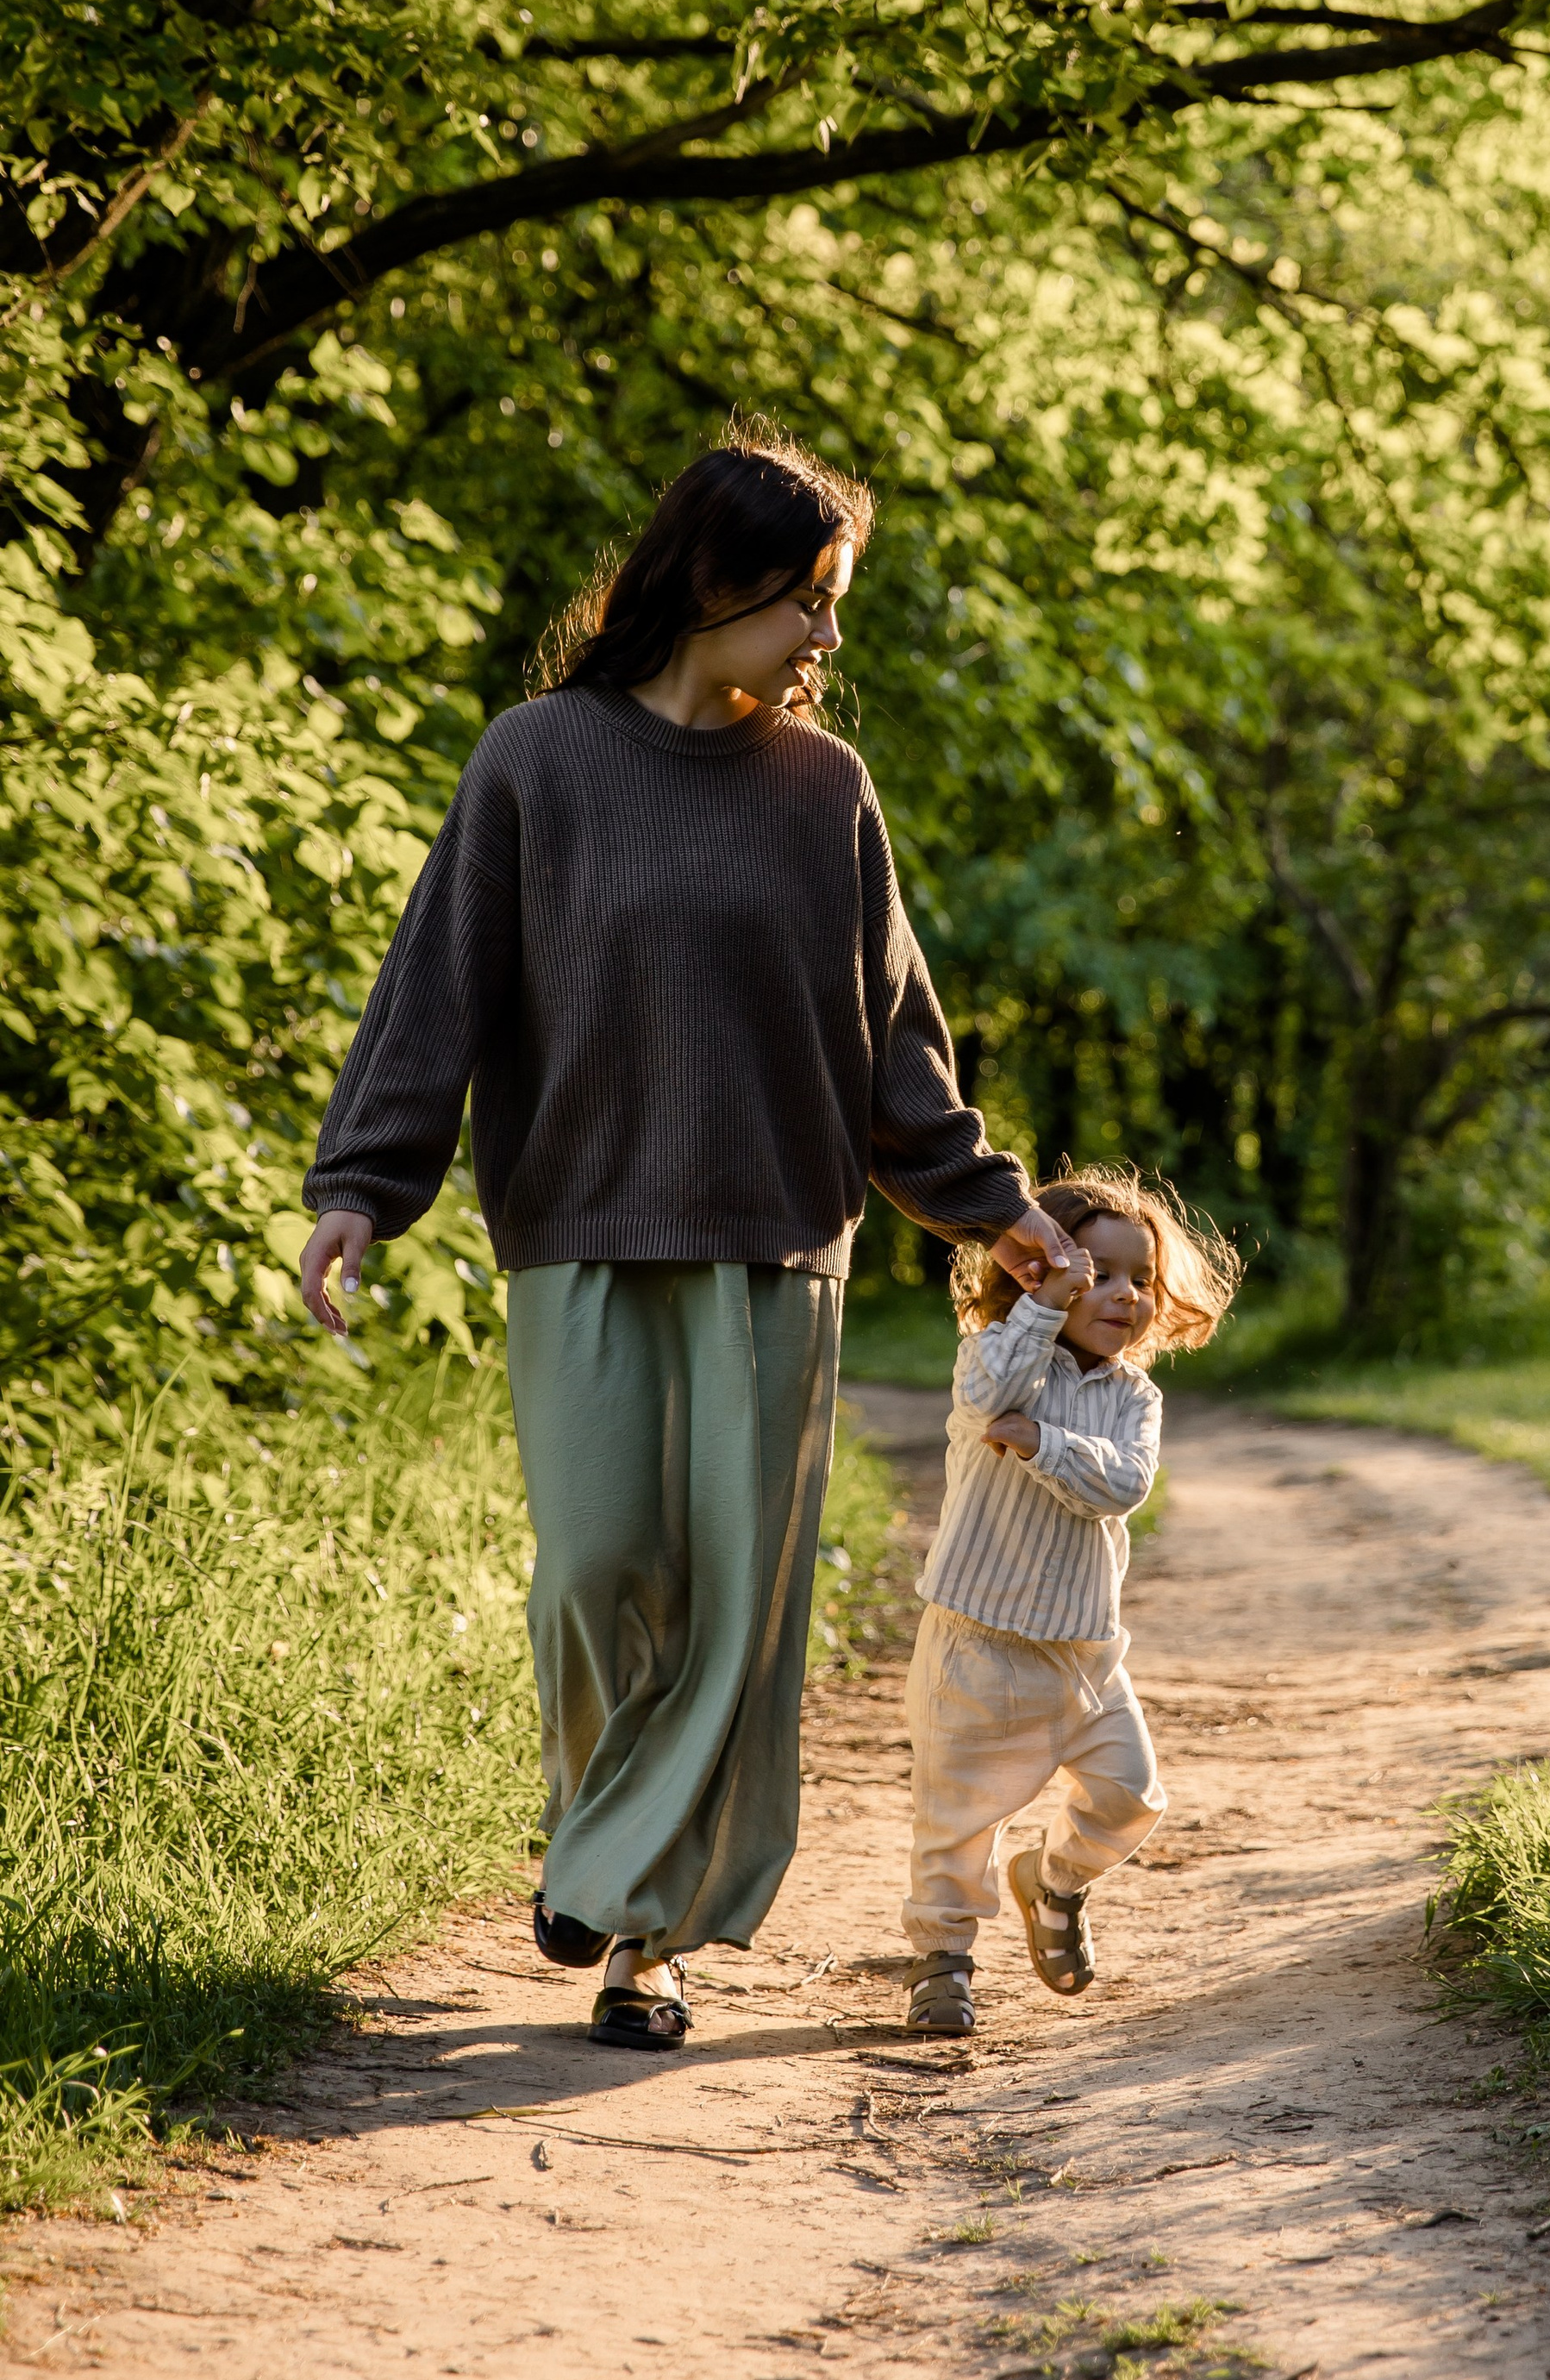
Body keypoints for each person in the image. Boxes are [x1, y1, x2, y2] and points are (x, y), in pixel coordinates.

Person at [297, 422, 1076, 2051]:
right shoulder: (535, 762)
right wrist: (363, 1184)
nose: (826, 638)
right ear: (715, 582)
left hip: (775, 1244)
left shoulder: (825, 794)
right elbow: (437, 988)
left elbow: (894, 1048)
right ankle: (605, 1849)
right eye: (810, 600)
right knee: (597, 1575)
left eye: (836, 603)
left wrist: (997, 1210)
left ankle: (640, 1942)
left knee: (736, 1609)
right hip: (578, 1228)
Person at [901, 1168, 1240, 2037]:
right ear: (1040, 1272)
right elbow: (989, 1401)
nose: (1125, 1295)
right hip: (975, 1642)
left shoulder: (1134, 1397)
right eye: (1098, 1273)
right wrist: (1045, 1306)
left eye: (1141, 1279)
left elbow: (1122, 1484)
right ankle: (943, 1960)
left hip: (1085, 1653)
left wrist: (1043, 1444)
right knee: (956, 1819)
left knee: (1131, 1796)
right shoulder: (997, 1357)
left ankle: (1052, 1881)